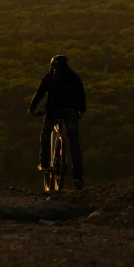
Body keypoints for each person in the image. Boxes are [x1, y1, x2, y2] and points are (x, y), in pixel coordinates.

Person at [28, 55, 87, 189]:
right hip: (71, 111)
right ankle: (77, 177)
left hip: (53, 111)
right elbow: (81, 94)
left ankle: (44, 162)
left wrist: (31, 109)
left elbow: (39, 94)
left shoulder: (49, 77)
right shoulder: (74, 77)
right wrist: (81, 110)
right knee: (74, 143)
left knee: (45, 133)